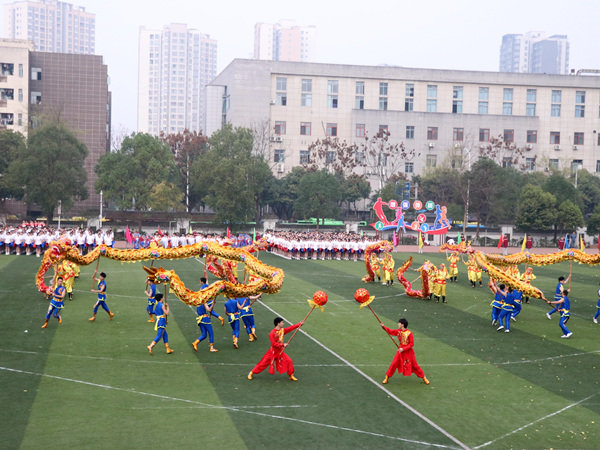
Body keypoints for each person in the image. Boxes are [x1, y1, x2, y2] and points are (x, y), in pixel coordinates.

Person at [247, 317, 305, 382]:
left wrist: (299, 324)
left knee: (289, 361)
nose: (283, 323)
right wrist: (283, 345)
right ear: (278, 323)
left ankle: (291, 375)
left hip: (280, 351)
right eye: (282, 322)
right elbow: (273, 344)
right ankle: (251, 373)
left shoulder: (282, 330)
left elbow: (290, 328)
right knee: (262, 363)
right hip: (272, 352)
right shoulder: (272, 333)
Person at [380, 318, 430, 385]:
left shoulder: (409, 333)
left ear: (402, 325)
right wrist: (383, 327)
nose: (398, 324)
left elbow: (411, 344)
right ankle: (387, 377)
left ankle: (424, 378)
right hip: (400, 351)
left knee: (415, 365)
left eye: (399, 323)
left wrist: (403, 349)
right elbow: (390, 331)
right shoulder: (399, 331)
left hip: (408, 352)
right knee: (394, 363)